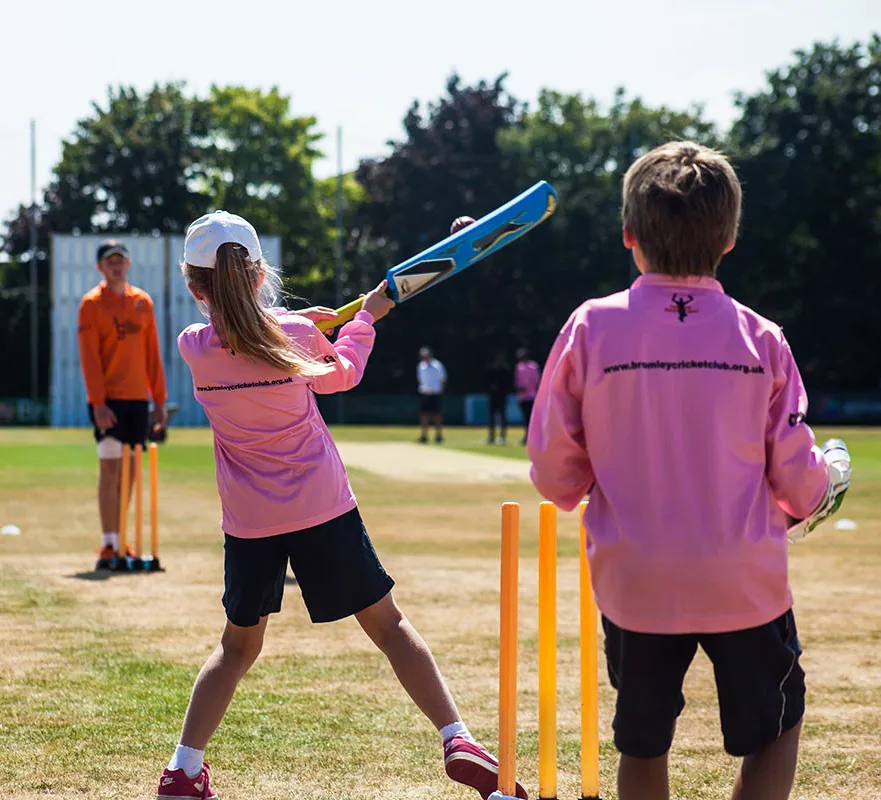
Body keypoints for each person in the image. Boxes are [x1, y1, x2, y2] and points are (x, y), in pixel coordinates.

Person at [156, 211, 525, 800]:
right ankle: (457, 739)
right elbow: (342, 373)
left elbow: (252, 336)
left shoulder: (193, 347)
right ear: (258, 276)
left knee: (236, 648)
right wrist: (363, 321)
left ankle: (183, 767)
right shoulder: (294, 338)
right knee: (390, 627)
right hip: (322, 507)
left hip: (250, 522)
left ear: (194, 286)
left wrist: (302, 323)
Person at [527, 142, 851, 800]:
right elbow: (797, 482)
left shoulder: (591, 327)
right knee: (774, 728)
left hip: (635, 578)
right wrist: (830, 479)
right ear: (729, 238)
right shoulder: (760, 338)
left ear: (628, 235)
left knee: (642, 742)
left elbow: (553, 473)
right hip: (742, 579)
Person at [77, 240, 168, 569]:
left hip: (137, 400)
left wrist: (159, 400)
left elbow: (152, 355)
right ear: (100, 267)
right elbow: (89, 359)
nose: (116, 266)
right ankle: (108, 542)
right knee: (111, 467)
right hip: (108, 401)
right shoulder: (91, 304)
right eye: (109, 261)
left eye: (121, 260)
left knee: (130, 473)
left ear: (128, 265)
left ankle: (122, 541)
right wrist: (98, 403)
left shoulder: (142, 302)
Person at [417, 346, 447, 444]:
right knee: (424, 415)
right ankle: (424, 435)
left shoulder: (437, 365)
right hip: (425, 393)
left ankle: (438, 435)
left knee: (437, 415)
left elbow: (442, 379)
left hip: (435, 393)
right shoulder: (421, 366)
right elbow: (420, 379)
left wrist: (440, 390)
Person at [513, 348, 541, 445]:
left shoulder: (533, 366)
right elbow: (516, 381)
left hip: (532, 395)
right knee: (525, 418)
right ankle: (527, 436)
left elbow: (537, 380)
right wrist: (519, 388)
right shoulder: (519, 367)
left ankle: (532, 437)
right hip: (522, 397)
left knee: (531, 418)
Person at [485, 352, 513, 445]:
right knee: (491, 417)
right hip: (493, 396)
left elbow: (509, 384)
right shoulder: (491, 370)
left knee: (503, 417)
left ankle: (502, 436)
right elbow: (487, 382)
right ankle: (491, 436)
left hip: (502, 396)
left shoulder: (506, 370)